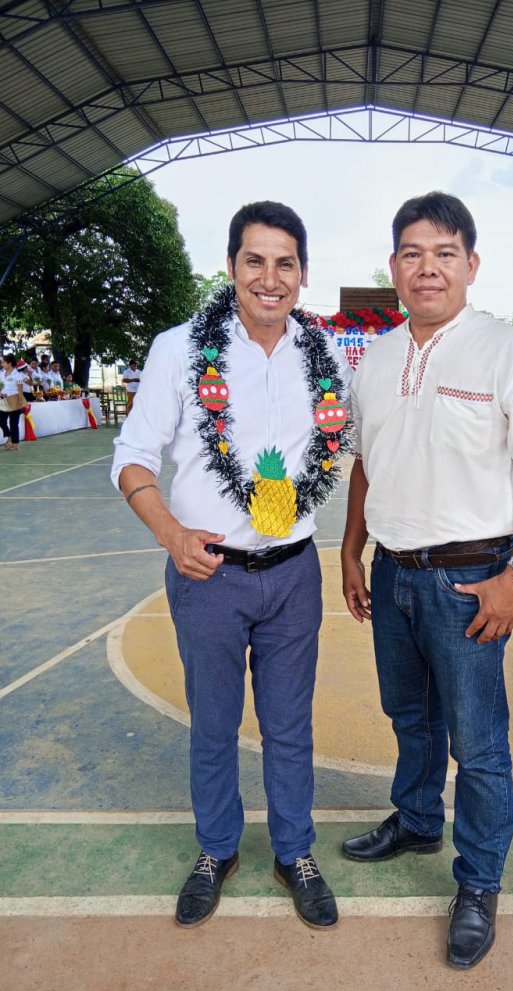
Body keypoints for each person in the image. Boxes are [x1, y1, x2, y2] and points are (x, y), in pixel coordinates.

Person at [340, 192, 513, 970]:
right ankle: (414, 819)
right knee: (409, 715)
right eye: (412, 252)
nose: (427, 266)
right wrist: (351, 549)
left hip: (472, 580)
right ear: (394, 268)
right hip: (395, 574)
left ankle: (478, 882)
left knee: (478, 744)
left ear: (471, 264)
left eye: (444, 252)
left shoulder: (506, 349)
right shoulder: (373, 360)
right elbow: (367, 463)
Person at [111, 200, 350, 931]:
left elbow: (349, 452)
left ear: (302, 275)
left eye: (285, 263)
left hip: (293, 571)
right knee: (213, 724)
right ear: (231, 268)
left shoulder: (328, 357)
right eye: (256, 261)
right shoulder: (179, 349)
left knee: (290, 725)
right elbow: (133, 457)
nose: (269, 278)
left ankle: (294, 852)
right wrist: (171, 533)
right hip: (207, 572)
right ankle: (216, 850)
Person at [0, 354, 27, 451]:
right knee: (1, 421)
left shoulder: (17, 374)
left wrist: (20, 401)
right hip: (3, 400)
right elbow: (1, 386)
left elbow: (20, 389)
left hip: (15, 400)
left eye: (4, 362)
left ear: (9, 363)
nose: (2, 364)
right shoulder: (1, 373)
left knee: (13, 423)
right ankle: (9, 436)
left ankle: (15, 444)